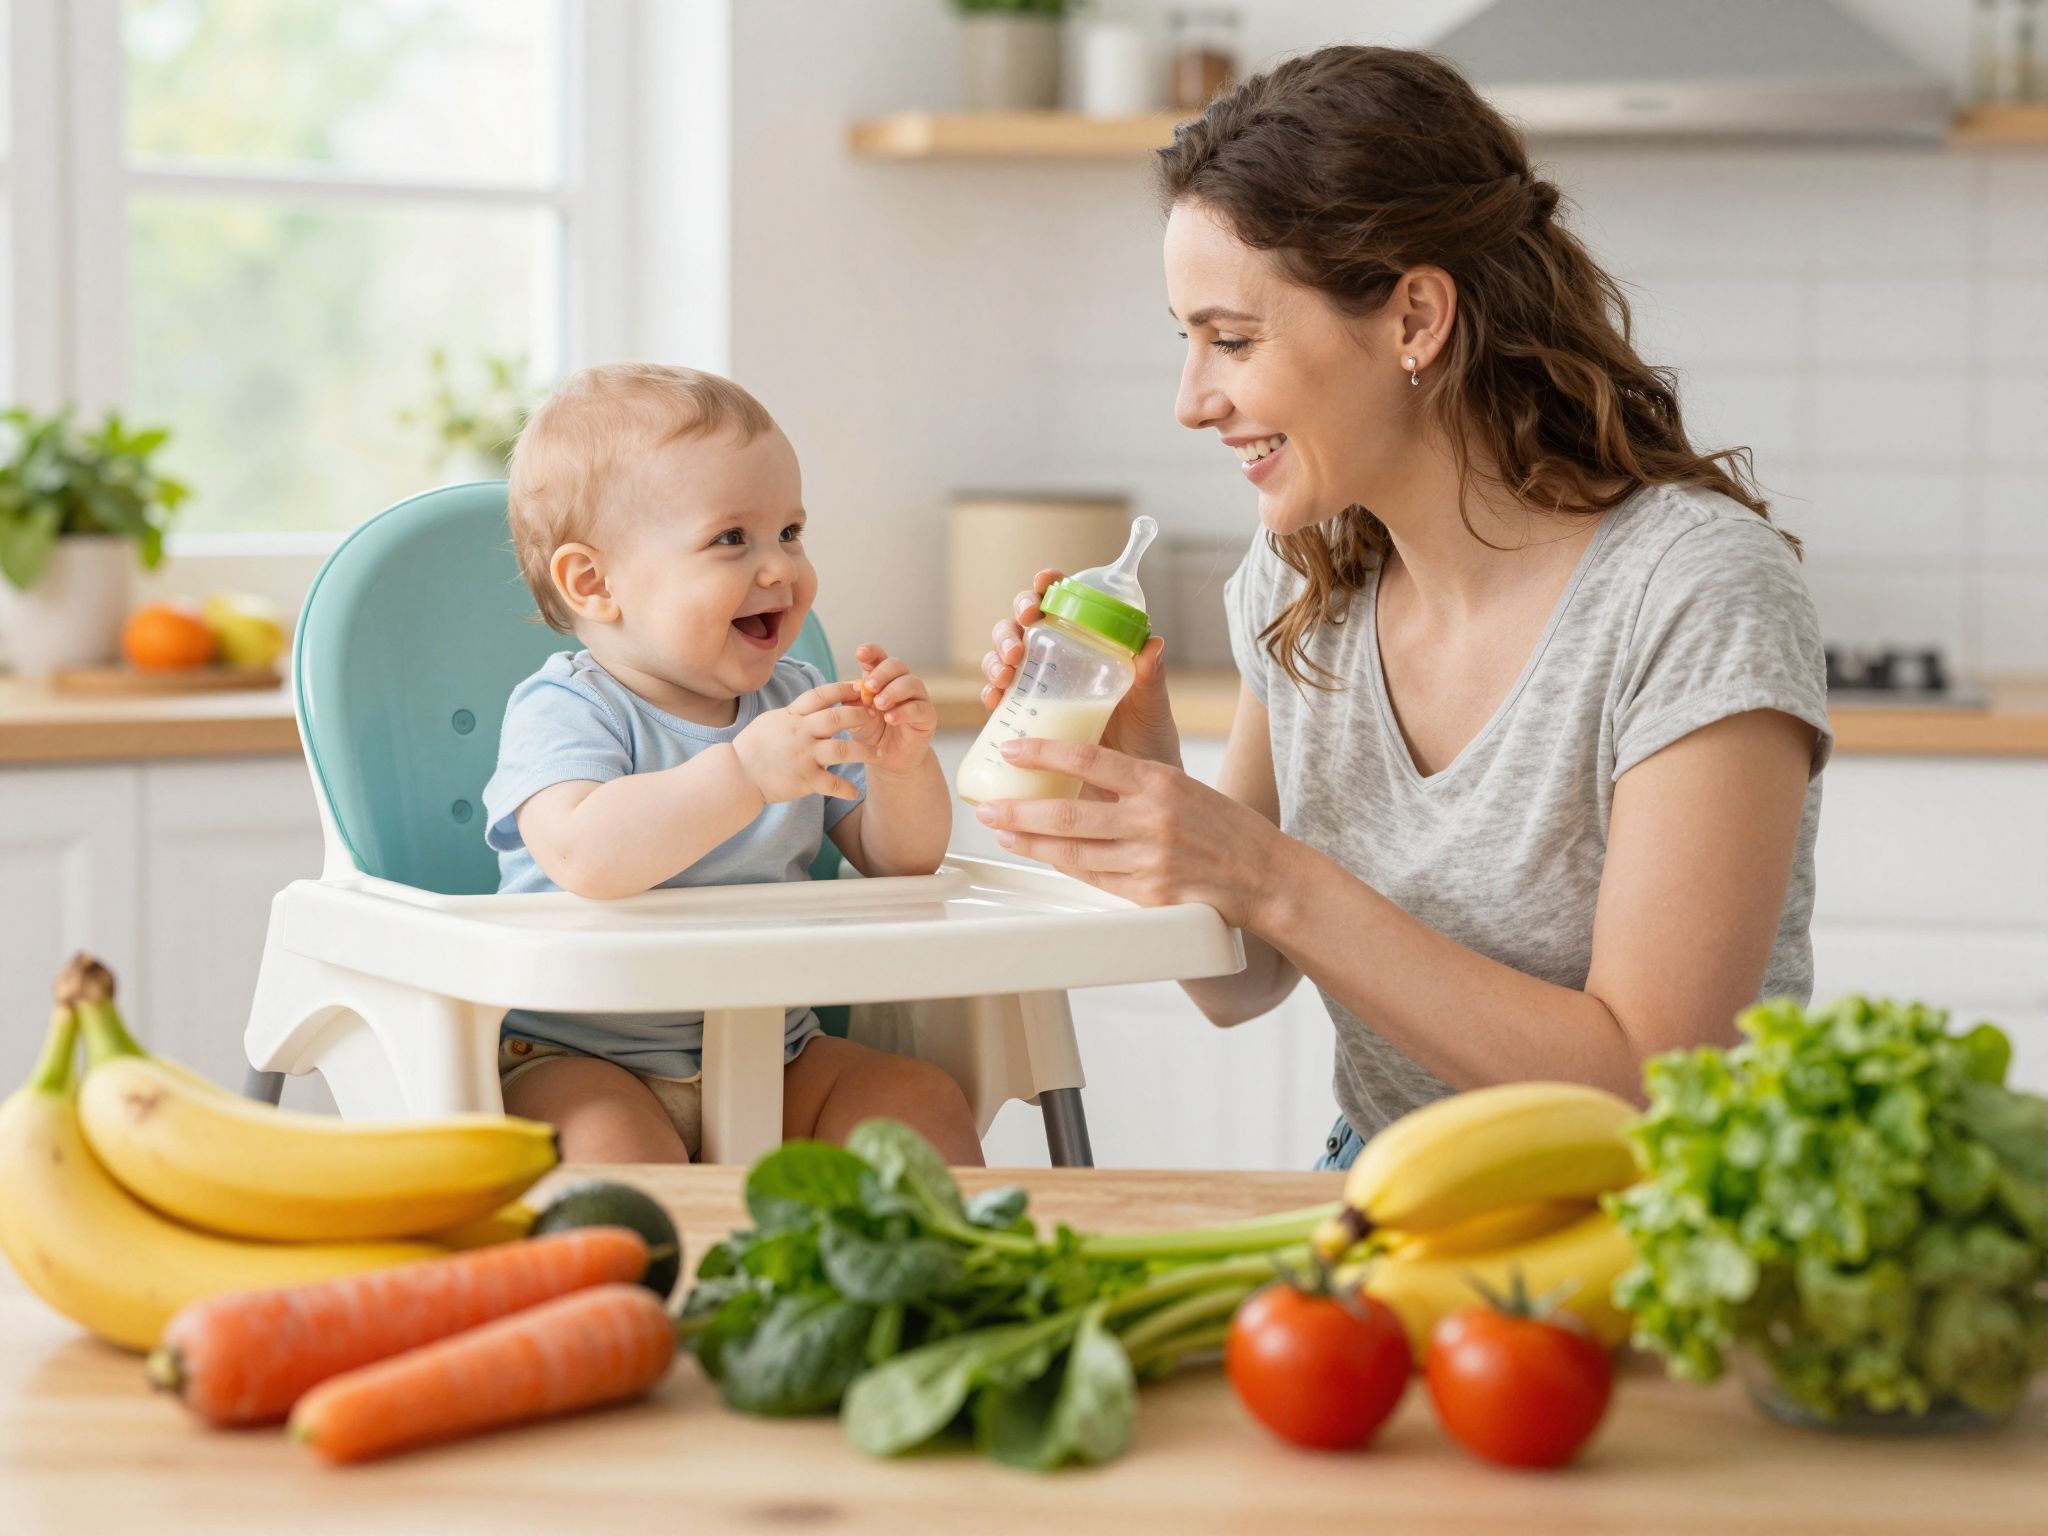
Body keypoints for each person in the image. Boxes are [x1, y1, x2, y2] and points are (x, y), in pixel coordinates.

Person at [974, 47, 1830, 1169]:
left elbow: (1646, 1090)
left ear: (1414, 316)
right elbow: (1239, 978)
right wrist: (1144, 784)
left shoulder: (1689, 590)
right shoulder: (1304, 576)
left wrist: (1264, 870)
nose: (1192, 400)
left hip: (1660, 1231)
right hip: (1388, 1183)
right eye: (1184, 340)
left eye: (1230, 339)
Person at [482, 363, 980, 1165]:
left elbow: (902, 860)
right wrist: (743, 775)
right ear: (594, 581)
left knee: (917, 1101)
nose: (781, 566)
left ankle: (935, 1288)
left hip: (775, 1053)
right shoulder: (568, 709)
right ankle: (658, 1292)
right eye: (731, 539)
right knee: (611, 1149)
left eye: (790, 532)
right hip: (582, 1058)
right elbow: (586, 855)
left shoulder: (799, 701)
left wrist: (901, 767)